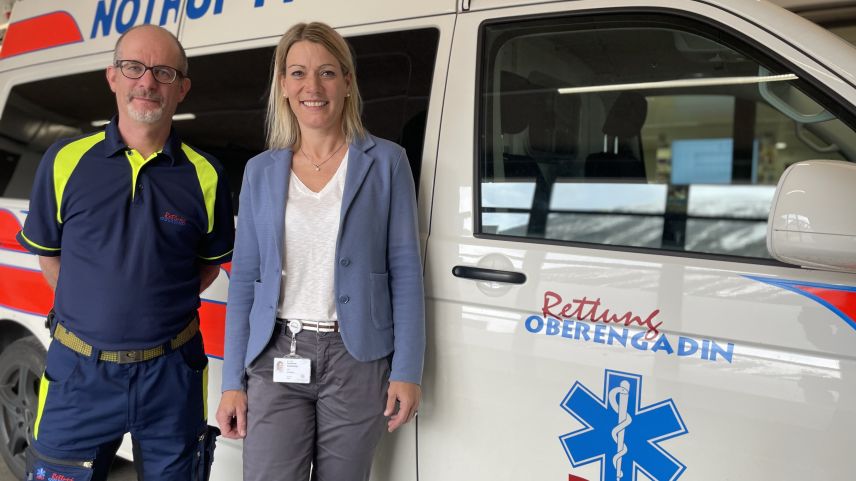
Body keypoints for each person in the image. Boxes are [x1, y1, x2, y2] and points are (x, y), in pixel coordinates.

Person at [16, 24, 234, 481]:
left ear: (183, 89)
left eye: (164, 72)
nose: (147, 82)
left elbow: (207, 266)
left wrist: (149, 305)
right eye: (133, 67)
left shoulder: (207, 176)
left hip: (172, 377)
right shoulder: (64, 160)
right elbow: (51, 258)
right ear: (112, 77)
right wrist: (100, 315)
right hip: (78, 375)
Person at [215, 21, 425, 481]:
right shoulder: (260, 171)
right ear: (283, 86)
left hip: (357, 360)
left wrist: (407, 370)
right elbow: (245, 281)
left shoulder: (386, 162)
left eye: (327, 72)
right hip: (276, 353)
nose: (313, 86)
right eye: (298, 73)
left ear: (348, 83)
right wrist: (232, 382)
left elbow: (406, 273)